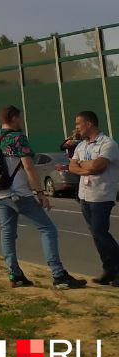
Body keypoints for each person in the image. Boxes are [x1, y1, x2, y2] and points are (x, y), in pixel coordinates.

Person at [0, 104, 85, 289]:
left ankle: (14, 274)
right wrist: (40, 192)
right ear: (14, 118)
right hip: (19, 193)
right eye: (20, 117)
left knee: (7, 234)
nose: (21, 121)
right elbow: (29, 166)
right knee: (48, 229)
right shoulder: (18, 138)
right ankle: (58, 274)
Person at [60, 110, 118, 284]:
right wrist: (87, 167)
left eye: (78, 124)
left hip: (101, 195)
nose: (76, 128)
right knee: (95, 234)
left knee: (100, 231)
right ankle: (109, 270)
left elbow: (99, 165)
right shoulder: (82, 145)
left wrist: (84, 166)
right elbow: (72, 167)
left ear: (89, 124)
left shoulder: (107, 143)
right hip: (84, 195)